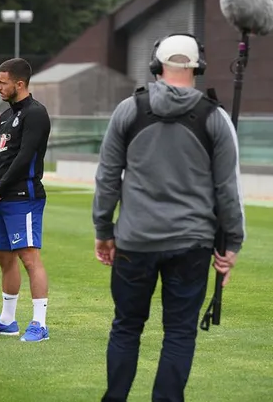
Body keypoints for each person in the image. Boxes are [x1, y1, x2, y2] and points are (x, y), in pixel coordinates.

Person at [92, 33, 244, 402]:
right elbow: (227, 190)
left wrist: (103, 230)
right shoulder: (216, 118)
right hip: (191, 244)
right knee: (179, 332)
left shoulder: (128, 110)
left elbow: (107, 178)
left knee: (126, 327)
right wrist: (232, 244)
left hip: (134, 240)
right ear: (198, 68)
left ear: (155, 66)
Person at [0, 58, 52, 343]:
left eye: (2, 82)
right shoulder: (5, 116)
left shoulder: (36, 114)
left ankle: (39, 324)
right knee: (4, 257)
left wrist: (3, 184)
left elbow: (25, 158)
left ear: (19, 84)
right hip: (3, 197)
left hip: (25, 197)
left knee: (29, 257)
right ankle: (7, 320)